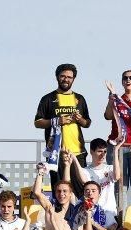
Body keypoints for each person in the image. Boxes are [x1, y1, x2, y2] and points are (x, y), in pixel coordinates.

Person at [34, 63, 92, 193]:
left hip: (78, 153)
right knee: (60, 191)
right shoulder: (48, 98)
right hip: (56, 153)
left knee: (81, 190)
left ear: (73, 79)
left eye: (69, 77)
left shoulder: (79, 98)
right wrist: (57, 120)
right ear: (57, 77)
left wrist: (79, 119)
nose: (66, 79)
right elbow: (37, 122)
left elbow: (87, 123)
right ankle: (59, 214)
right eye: (63, 76)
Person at [68, 138, 120, 215]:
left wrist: (115, 151)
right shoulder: (85, 171)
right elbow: (84, 181)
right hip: (92, 213)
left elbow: (117, 176)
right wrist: (75, 159)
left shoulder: (109, 168)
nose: (103, 155)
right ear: (92, 152)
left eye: (105, 152)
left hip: (109, 213)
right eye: (99, 151)